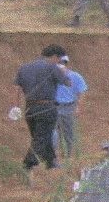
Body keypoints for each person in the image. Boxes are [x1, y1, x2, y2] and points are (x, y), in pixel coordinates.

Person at [11, 44, 71, 172]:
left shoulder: (24, 67)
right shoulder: (53, 67)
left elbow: (16, 88)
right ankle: (27, 164)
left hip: (30, 107)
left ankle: (50, 161)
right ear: (55, 56)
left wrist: (15, 106)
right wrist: (63, 71)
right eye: (59, 59)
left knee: (41, 135)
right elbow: (67, 82)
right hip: (47, 107)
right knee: (42, 137)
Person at [53, 54, 88, 157]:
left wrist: (78, 107)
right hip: (53, 106)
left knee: (68, 132)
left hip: (68, 107)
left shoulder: (75, 77)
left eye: (63, 63)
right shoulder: (51, 77)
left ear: (66, 64)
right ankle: (52, 154)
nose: (61, 65)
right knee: (53, 132)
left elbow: (82, 91)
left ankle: (66, 155)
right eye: (59, 63)